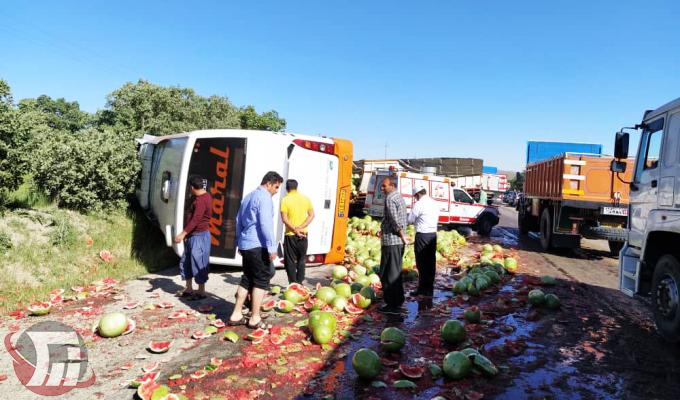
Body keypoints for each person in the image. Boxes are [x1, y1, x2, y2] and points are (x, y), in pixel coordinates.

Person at [228, 171, 283, 329]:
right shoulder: (264, 198)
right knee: (261, 281)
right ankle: (255, 317)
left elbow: (238, 220)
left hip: (246, 244)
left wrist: (239, 241)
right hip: (258, 245)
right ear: (269, 183)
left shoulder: (248, 196)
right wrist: (272, 248)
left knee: (247, 278)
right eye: (276, 187)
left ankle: (236, 314)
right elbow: (266, 224)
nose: (276, 191)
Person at [175, 175, 213, 301]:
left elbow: (196, 219)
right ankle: (189, 288)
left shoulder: (203, 199)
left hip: (200, 236)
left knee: (199, 262)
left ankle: (201, 291)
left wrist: (182, 234)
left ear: (191, 187)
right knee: (186, 261)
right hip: (192, 236)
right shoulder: (198, 197)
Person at [378, 176, 410, 314]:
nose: (382, 189)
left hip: (391, 241)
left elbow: (394, 219)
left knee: (387, 273)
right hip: (397, 242)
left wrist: (401, 234)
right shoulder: (399, 197)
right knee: (395, 271)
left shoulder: (390, 198)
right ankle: (398, 300)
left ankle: (392, 304)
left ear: (392, 185)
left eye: (384, 186)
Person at [280, 179, 315, 285]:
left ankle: (293, 283)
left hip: (290, 235)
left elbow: (285, 219)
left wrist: (295, 229)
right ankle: (300, 282)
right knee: (301, 259)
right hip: (303, 234)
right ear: (297, 187)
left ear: (287, 188)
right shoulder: (306, 199)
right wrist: (301, 227)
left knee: (289, 260)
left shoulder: (285, 200)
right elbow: (312, 215)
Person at [407, 185, 439, 297]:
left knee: (421, 263)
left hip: (422, 235)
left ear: (417, 194)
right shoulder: (434, 203)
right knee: (431, 263)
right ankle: (429, 289)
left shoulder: (419, 204)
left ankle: (422, 289)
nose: (415, 198)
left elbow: (410, 220)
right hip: (433, 235)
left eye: (415, 196)